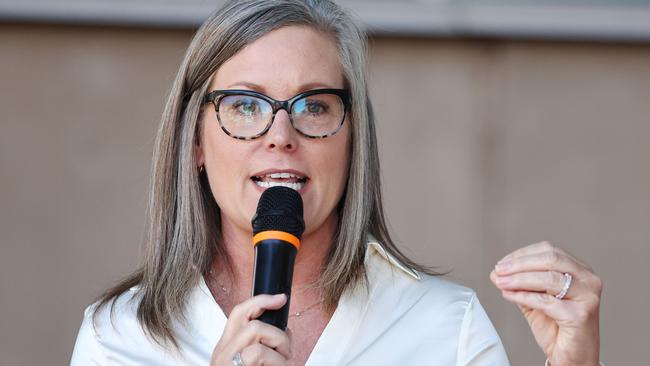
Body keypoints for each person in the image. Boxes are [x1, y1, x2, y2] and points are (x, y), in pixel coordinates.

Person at [70, 0, 603, 365]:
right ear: (194, 143)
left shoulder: (445, 325)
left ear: (353, 142)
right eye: (246, 105)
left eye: (315, 105)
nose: (281, 134)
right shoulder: (117, 335)